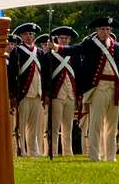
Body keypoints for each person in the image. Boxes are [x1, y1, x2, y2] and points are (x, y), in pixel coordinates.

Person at [53, 17, 119, 162]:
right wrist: (58, 48)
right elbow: (75, 49)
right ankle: (94, 155)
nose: (106, 32)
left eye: (108, 29)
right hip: (98, 87)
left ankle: (110, 156)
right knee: (96, 124)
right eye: (103, 29)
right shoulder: (91, 43)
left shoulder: (116, 47)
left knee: (112, 124)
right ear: (97, 30)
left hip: (114, 88)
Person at [9, 23, 44, 157]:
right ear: (22, 36)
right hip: (23, 93)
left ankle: (33, 150)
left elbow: (43, 73)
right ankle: (21, 150)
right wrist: (12, 95)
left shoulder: (39, 52)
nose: (29, 37)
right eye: (26, 34)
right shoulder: (16, 52)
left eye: (31, 34)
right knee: (21, 125)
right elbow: (11, 75)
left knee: (34, 126)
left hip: (36, 92)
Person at [43, 26, 78, 156]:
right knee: (54, 125)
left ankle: (68, 152)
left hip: (70, 94)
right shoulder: (49, 56)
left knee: (68, 126)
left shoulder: (74, 55)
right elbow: (45, 76)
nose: (64, 40)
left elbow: (77, 76)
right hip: (56, 94)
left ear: (69, 40)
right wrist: (47, 93)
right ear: (56, 39)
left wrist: (77, 94)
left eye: (66, 38)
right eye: (61, 38)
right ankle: (52, 151)